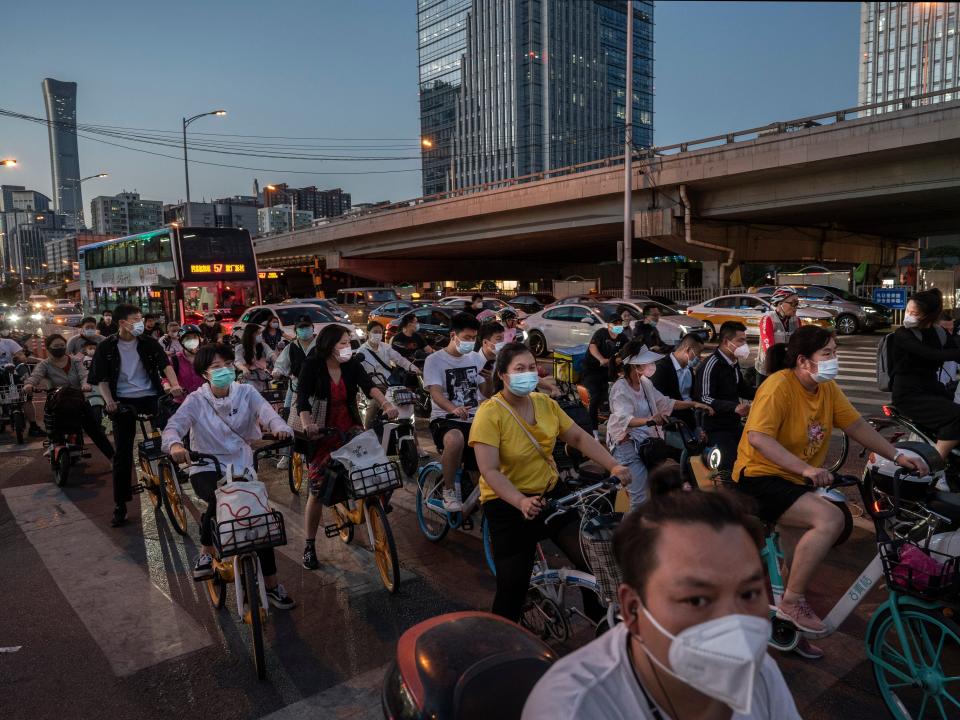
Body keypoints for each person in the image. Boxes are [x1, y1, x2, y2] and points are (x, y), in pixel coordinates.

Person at [522, 492, 802, 720]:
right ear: (632, 610)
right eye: (697, 600)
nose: (734, 620)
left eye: (750, 593)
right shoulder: (573, 708)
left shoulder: (759, 672)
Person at [734, 326, 926, 645]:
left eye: (835, 352)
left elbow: (856, 425)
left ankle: (787, 624)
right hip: (760, 477)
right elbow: (758, 437)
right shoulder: (777, 387)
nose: (834, 359)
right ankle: (792, 602)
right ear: (803, 361)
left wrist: (897, 455)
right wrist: (808, 469)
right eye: (827, 354)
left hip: (794, 479)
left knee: (800, 549)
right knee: (830, 519)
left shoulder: (827, 389)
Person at [469, 342, 631, 621]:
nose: (528, 374)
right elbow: (490, 470)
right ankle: (505, 643)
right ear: (503, 376)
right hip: (508, 505)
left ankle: (600, 625)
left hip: (551, 495)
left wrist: (614, 465)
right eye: (519, 369)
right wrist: (519, 500)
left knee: (591, 560)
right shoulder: (490, 413)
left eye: (532, 367)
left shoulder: (545, 404)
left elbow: (579, 438)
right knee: (512, 589)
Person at [161, 342, 295, 610]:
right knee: (220, 500)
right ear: (204, 373)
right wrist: (175, 445)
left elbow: (268, 414)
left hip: (243, 465)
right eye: (215, 367)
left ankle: (272, 586)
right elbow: (173, 428)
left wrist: (281, 428)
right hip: (206, 466)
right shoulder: (196, 400)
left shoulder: (246, 392)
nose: (223, 370)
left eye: (226, 365)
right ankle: (206, 553)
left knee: (261, 522)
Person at [296, 324, 398, 571]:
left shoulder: (351, 364)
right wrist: (308, 424)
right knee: (317, 489)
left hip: (350, 425)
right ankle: (309, 545)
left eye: (349, 342)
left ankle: (377, 506)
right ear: (329, 345)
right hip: (321, 431)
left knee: (377, 468)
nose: (347, 347)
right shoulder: (312, 366)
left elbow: (369, 386)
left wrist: (386, 404)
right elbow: (302, 399)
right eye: (342, 343)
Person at [89, 303, 184, 527]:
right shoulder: (107, 347)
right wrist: (109, 401)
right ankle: (120, 504)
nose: (140, 322)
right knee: (122, 453)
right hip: (122, 401)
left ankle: (177, 466)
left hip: (152, 396)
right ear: (123, 323)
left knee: (172, 428)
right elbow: (101, 379)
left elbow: (165, 366)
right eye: (136, 319)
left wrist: (175, 384)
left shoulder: (149, 343)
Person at [607, 341, 713, 508]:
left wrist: (693, 404)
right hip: (626, 444)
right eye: (646, 362)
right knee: (640, 500)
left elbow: (665, 403)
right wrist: (649, 420)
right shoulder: (620, 389)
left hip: (647, 443)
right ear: (635, 365)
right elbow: (624, 419)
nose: (650, 365)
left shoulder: (645, 383)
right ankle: (632, 532)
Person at [424, 312, 487, 511]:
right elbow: (435, 393)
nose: (471, 342)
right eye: (467, 338)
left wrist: (490, 377)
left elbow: (486, 392)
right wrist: (454, 409)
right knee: (455, 439)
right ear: (453, 335)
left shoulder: (476, 358)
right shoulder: (434, 360)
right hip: (445, 419)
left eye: (473, 338)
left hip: (475, 420)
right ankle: (448, 490)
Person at [21, 333, 114, 459]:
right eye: (56, 346)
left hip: (77, 398)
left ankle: (112, 458)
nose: (59, 348)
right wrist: (29, 385)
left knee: (95, 430)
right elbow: (35, 376)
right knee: (51, 423)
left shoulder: (75, 361)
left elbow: (84, 375)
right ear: (48, 348)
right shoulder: (44, 365)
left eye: (62, 345)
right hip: (56, 400)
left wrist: (86, 384)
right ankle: (53, 443)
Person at [892, 289, 960, 460]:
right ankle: (935, 466)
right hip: (909, 395)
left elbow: (954, 350)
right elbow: (931, 354)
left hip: (932, 389)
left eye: (913, 313)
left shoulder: (939, 333)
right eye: (908, 311)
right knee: (956, 417)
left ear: (928, 316)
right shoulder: (903, 334)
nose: (908, 315)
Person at [693, 321, 755, 473]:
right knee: (729, 467)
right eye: (740, 340)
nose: (744, 345)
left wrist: (765, 392)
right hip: (716, 427)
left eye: (745, 340)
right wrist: (733, 407)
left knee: (751, 456)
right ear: (727, 342)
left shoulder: (733, 362)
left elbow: (741, 388)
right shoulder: (711, 364)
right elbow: (703, 397)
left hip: (733, 423)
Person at [357, 320, 420, 427]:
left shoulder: (386, 347)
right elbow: (359, 372)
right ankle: (366, 431)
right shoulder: (362, 351)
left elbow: (400, 359)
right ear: (368, 333)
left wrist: (415, 369)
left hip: (390, 384)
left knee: (406, 401)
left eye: (380, 332)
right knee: (373, 405)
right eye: (375, 331)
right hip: (373, 386)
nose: (378, 334)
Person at [581, 315, 628, 433]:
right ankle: (594, 431)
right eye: (615, 323)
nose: (618, 326)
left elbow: (627, 351)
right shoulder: (601, 333)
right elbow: (592, 347)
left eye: (619, 323)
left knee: (622, 392)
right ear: (608, 325)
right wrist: (601, 359)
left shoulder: (623, 338)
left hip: (610, 371)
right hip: (592, 371)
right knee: (596, 396)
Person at [650, 333, 705, 431]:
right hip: (672, 426)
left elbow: (692, 396)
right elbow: (659, 402)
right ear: (688, 350)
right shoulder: (661, 369)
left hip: (689, 421)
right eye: (698, 353)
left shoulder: (688, 370)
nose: (699, 357)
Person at [756, 288, 801, 385]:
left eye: (797, 303)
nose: (796, 307)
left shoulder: (797, 320)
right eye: (793, 303)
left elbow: (800, 346)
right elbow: (769, 350)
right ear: (780, 303)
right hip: (768, 370)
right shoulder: (768, 319)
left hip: (789, 370)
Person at [165, 325, 205, 402]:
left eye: (194, 337)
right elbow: (166, 378)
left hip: (205, 403)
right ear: (181, 341)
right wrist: (168, 386)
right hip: (182, 403)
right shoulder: (174, 359)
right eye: (188, 338)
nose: (192, 340)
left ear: (199, 339)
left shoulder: (206, 357)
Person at [236, 323, 270, 390]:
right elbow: (238, 361)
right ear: (251, 334)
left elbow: (272, 355)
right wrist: (244, 369)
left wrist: (278, 368)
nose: (260, 336)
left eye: (261, 333)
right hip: (249, 376)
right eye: (258, 333)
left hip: (262, 377)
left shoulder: (263, 345)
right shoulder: (240, 348)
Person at [938, 310, 958, 392]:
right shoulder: (921, 348)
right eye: (945, 330)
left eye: (951, 330)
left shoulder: (955, 347)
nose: (949, 334)